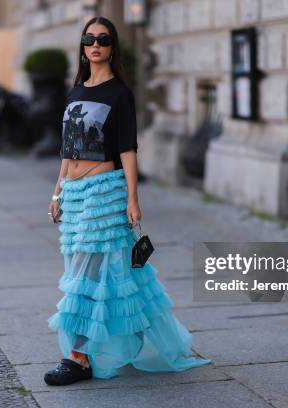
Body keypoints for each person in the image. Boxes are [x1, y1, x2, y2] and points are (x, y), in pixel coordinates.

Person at [44, 15, 211, 386]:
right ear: (83, 48)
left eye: (103, 39)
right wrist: (57, 192)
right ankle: (134, 337)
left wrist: (133, 199)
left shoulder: (119, 93)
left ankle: (78, 357)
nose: (96, 45)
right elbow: (67, 150)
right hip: (73, 194)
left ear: (112, 47)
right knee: (99, 275)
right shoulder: (75, 91)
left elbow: (127, 149)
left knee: (85, 276)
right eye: (89, 39)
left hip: (104, 192)